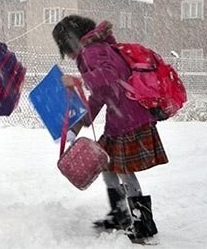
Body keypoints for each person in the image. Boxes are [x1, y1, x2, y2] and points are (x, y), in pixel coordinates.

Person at [52, 15, 168, 242]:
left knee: (124, 170)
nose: (65, 52)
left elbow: (110, 74)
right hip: (122, 116)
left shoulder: (92, 51)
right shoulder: (97, 48)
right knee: (108, 165)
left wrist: (78, 79)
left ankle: (141, 223)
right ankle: (120, 214)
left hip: (128, 118)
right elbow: (101, 93)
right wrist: (83, 122)